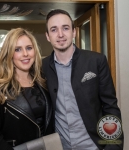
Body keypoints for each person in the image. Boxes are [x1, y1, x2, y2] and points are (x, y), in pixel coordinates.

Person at [42, 9, 124, 150]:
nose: (60, 34)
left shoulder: (96, 61)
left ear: (74, 32)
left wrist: (113, 146)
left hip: (94, 145)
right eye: (54, 30)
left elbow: (110, 107)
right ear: (48, 36)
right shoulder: (42, 67)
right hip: (60, 146)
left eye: (65, 28)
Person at [0, 28, 54, 150]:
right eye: (18, 49)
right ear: (8, 53)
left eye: (29, 48)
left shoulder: (43, 80)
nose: (25, 54)